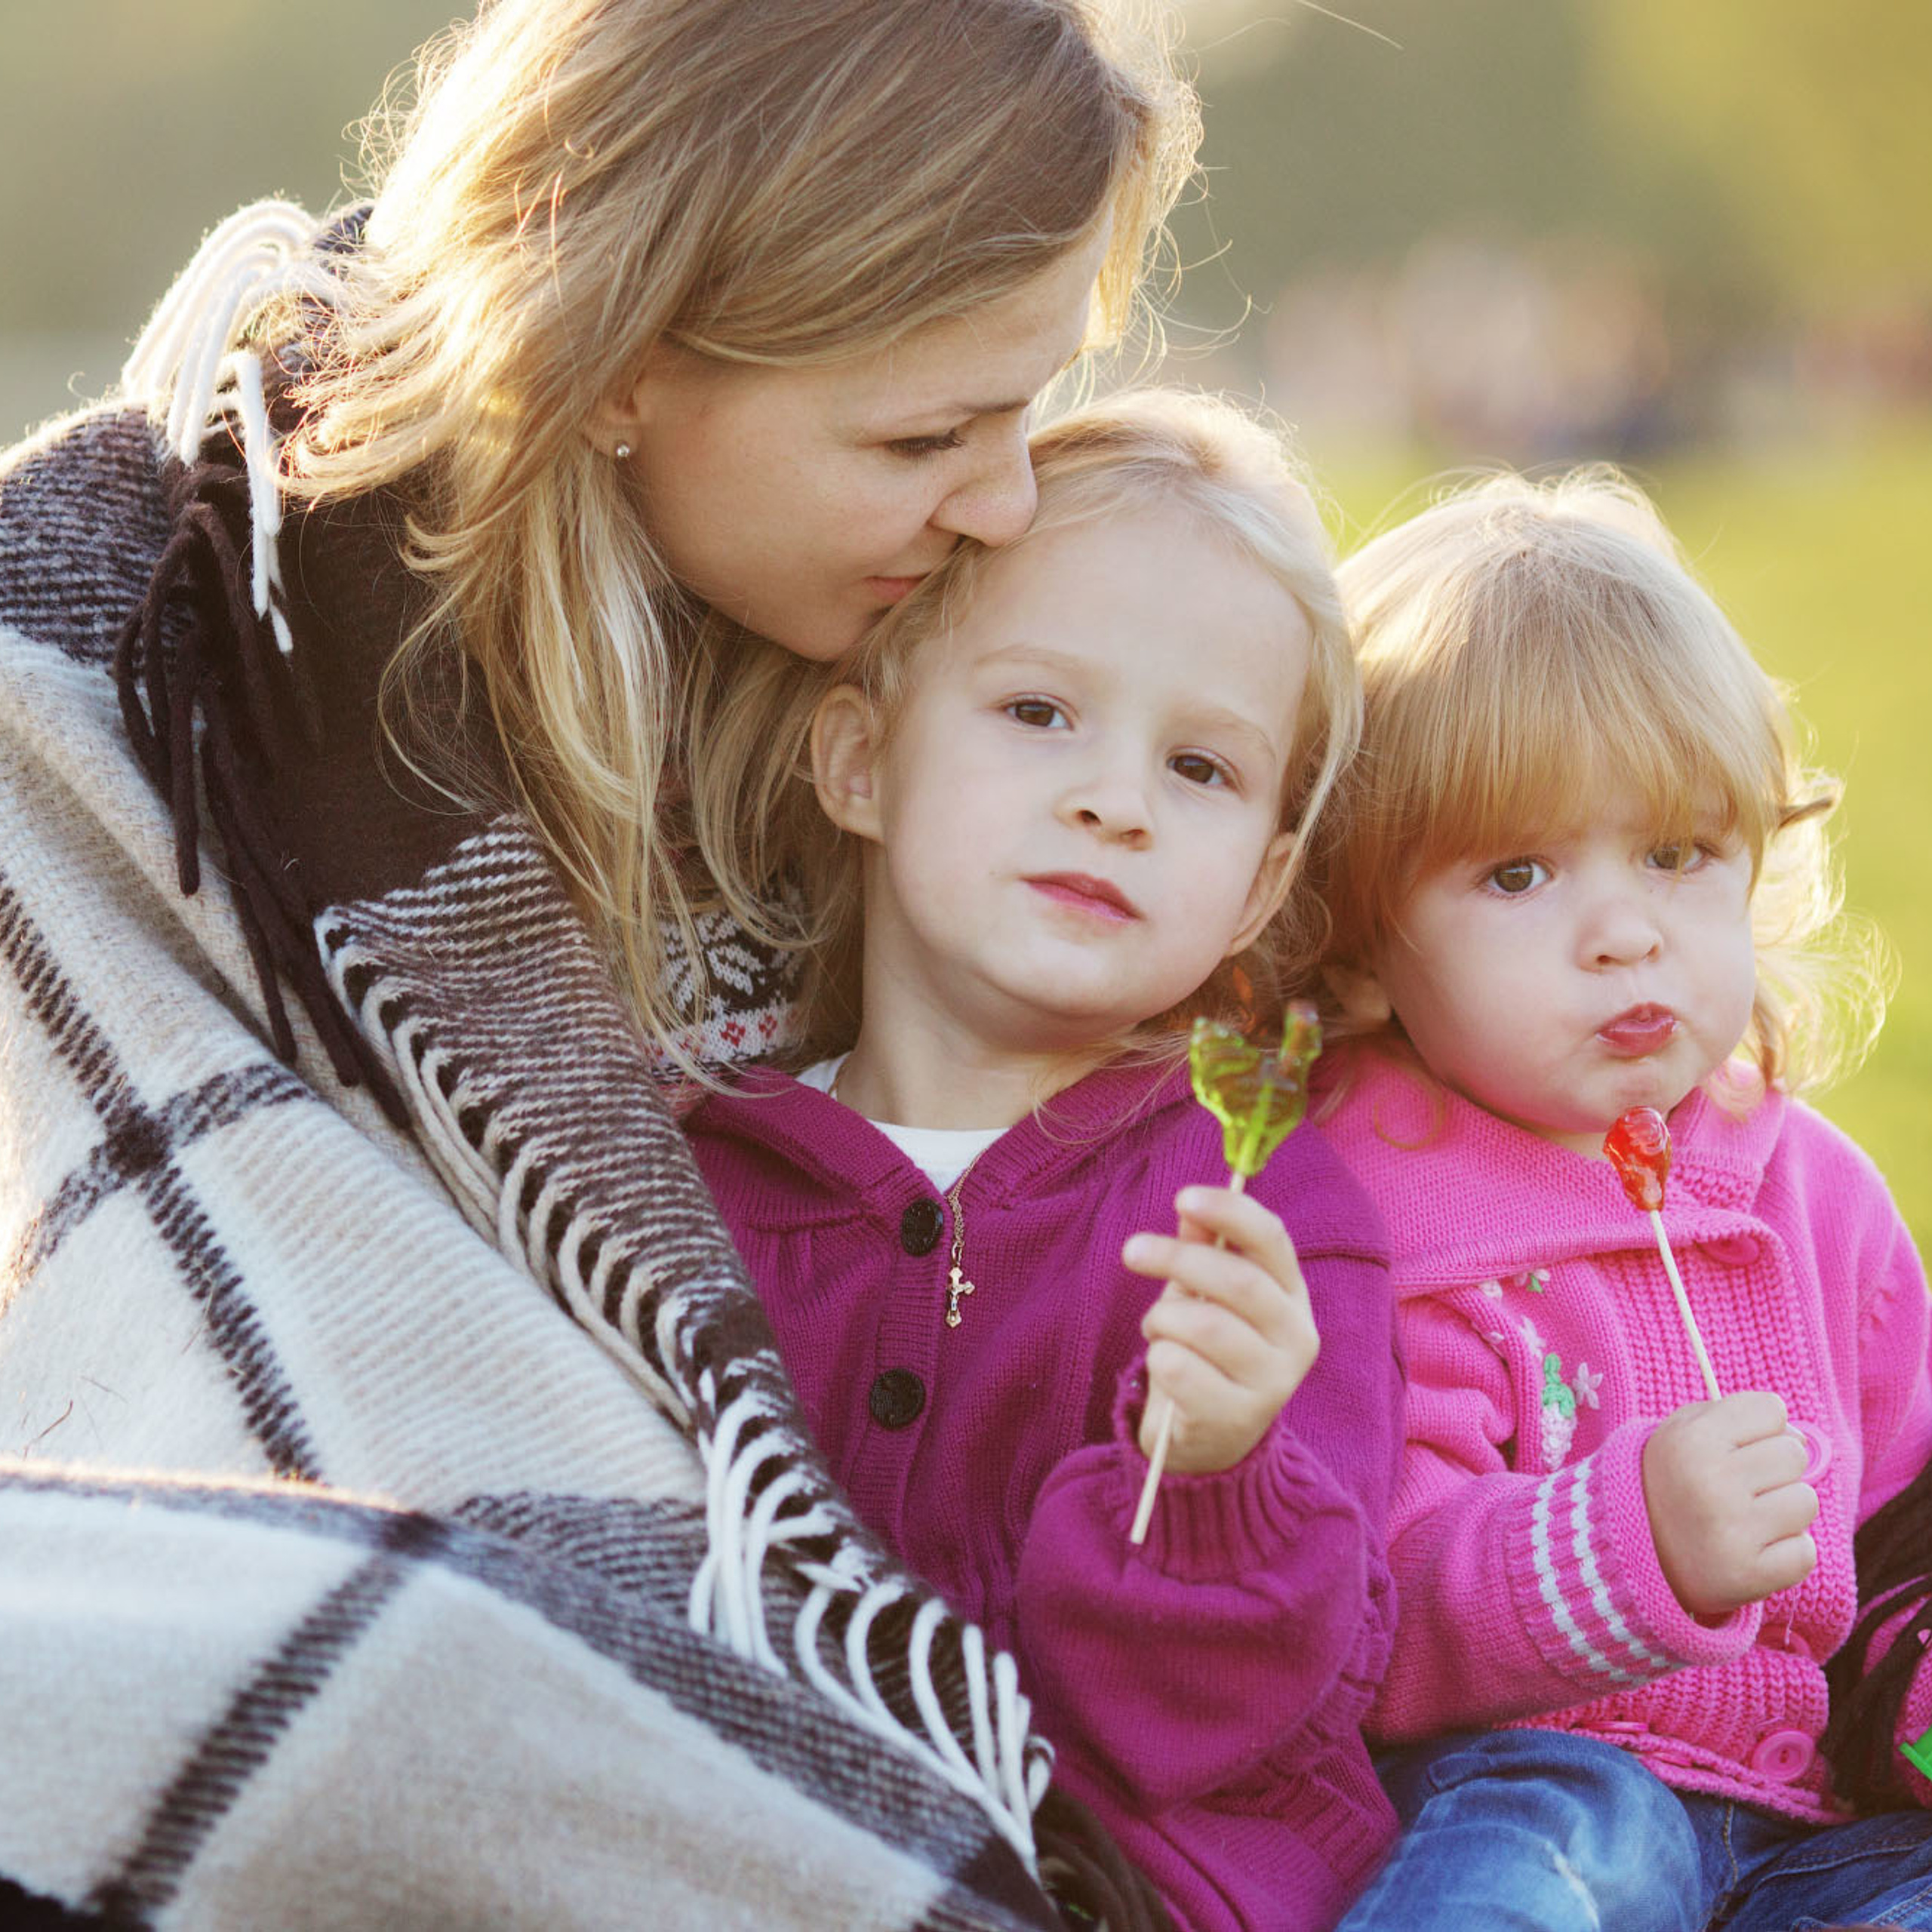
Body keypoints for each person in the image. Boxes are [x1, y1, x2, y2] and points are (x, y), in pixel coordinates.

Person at [0, 2, 1204, 1925]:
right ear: (623, 361)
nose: (1002, 500)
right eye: (923, 435)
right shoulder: (156, 652)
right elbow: (238, 1349)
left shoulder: (916, 681)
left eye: (1022, 409)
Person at [680, 388, 1404, 1932]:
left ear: (1259, 882)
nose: (1112, 801)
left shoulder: (1260, 1220)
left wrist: (1213, 1475)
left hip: (1136, 1880)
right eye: (1035, 713)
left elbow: (1241, 1710)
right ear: (859, 762)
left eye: (1198, 768)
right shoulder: (683, 1184)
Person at [1305, 470, 1932, 1932]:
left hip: (1811, 1821)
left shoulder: (1814, 1196)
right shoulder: (1367, 1218)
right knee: (1555, 1852)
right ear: (1360, 941)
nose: (1623, 932)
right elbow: (1362, 1619)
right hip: (1534, 1774)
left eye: (1674, 854)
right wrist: (1628, 1539)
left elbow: (1901, 1531)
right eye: (1518, 871)